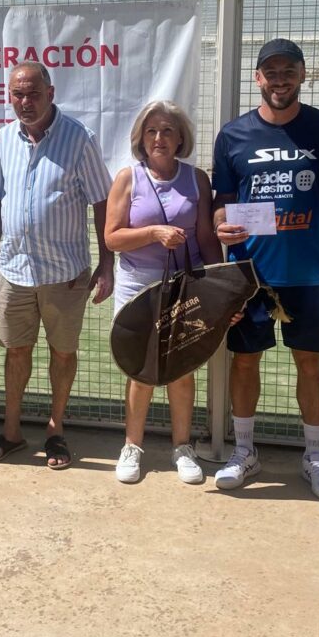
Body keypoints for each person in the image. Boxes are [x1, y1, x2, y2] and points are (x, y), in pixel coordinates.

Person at [211, 38, 319, 498]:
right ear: (258, 78)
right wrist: (222, 226)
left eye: (289, 70)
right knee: (244, 362)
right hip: (251, 276)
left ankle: (314, 456)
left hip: (310, 272)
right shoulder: (233, 135)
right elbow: (223, 206)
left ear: (303, 75)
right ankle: (244, 450)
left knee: (310, 363)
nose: (280, 79)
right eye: (271, 71)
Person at [0, 61, 114, 470]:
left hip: (65, 274)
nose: (25, 102)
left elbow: (101, 203)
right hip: (14, 272)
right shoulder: (1, 140)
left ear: (50, 93)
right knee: (16, 352)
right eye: (17, 94)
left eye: (33, 93)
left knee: (63, 353)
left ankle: (56, 431)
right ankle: (12, 432)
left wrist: (107, 265)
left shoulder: (80, 139)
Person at [105, 101, 222, 485]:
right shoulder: (128, 178)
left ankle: (182, 447)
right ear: (141, 137)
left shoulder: (197, 179)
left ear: (180, 137)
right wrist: (154, 233)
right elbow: (112, 237)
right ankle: (132, 445)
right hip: (139, 286)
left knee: (181, 367)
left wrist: (219, 283)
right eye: (152, 131)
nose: (159, 138)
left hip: (185, 284)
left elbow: (205, 236)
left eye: (168, 130)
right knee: (142, 369)